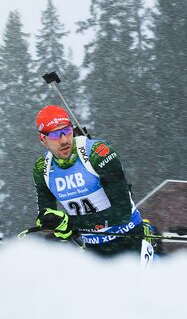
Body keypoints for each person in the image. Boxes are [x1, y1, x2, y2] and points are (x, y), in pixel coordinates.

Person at [32, 105, 144, 257]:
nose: (64, 140)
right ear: (43, 139)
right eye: (56, 135)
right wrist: (51, 224)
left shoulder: (98, 154)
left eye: (67, 131)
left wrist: (72, 223)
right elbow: (46, 215)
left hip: (129, 238)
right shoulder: (42, 168)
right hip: (92, 247)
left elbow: (122, 213)